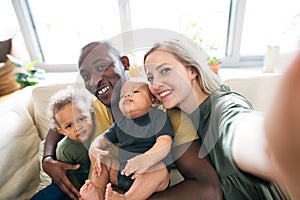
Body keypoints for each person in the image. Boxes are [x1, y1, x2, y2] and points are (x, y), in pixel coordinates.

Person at [42, 41, 222, 200]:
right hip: (109, 181)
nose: (95, 81)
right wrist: (48, 158)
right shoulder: (96, 106)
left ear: (124, 63)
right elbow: (60, 120)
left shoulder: (165, 111)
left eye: (101, 67)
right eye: (86, 76)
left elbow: (209, 190)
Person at [144, 39, 299, 199]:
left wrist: (273, 147)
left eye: (164, 71)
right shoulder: (179, 121)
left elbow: (240, 127)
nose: (155, 84)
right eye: (150, 78)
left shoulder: (223, 106)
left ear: (192, 71)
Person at [80, 80, 174, 200]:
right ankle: (98, 192)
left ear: (153, 101)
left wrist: (146, 159)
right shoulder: (120, 123)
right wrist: (94, 148)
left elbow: (165, 142)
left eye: (135, 91)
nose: (127, 95)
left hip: (150, 176)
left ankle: (126, 198)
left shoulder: (158, 116)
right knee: (103, 162)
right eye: (123, 95)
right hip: (123, 172)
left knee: (159, 168)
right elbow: (102, 139)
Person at [32, 88, 97, 200]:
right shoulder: (65, 149)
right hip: (70, 186)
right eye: (69, 126)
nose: (77, 127)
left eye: (81, 119)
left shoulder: (100, 133)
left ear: (91, 114)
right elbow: (64, 180)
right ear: (62, 131)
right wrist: (79, 195)